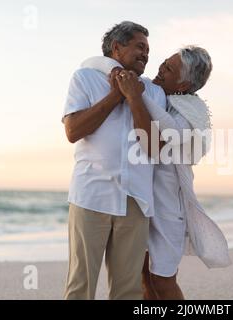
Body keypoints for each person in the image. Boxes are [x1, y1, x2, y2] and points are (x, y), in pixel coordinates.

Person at [82, 46, 232, 300]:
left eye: (169, 69)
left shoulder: (190, 111)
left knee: (162, 280)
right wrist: (118, 72)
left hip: (168, 212)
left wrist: (136, 96)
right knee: (142, 277)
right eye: (164, 63)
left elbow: (167, 132)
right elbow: (93, 61)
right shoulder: (153, 93)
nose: (161, 69)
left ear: (183, 84)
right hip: (141, 204)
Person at [61, 21, 166, 300]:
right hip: (91, 195)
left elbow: (155, 148)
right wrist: (114, 95)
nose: (145, 54)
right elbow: (73, 131)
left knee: (128, 291)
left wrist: (133, 98)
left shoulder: (153, 92)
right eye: (139, 47)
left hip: (136, 200)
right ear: (117, 48)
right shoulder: (84, 78)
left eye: (148, 50)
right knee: (80, 286)